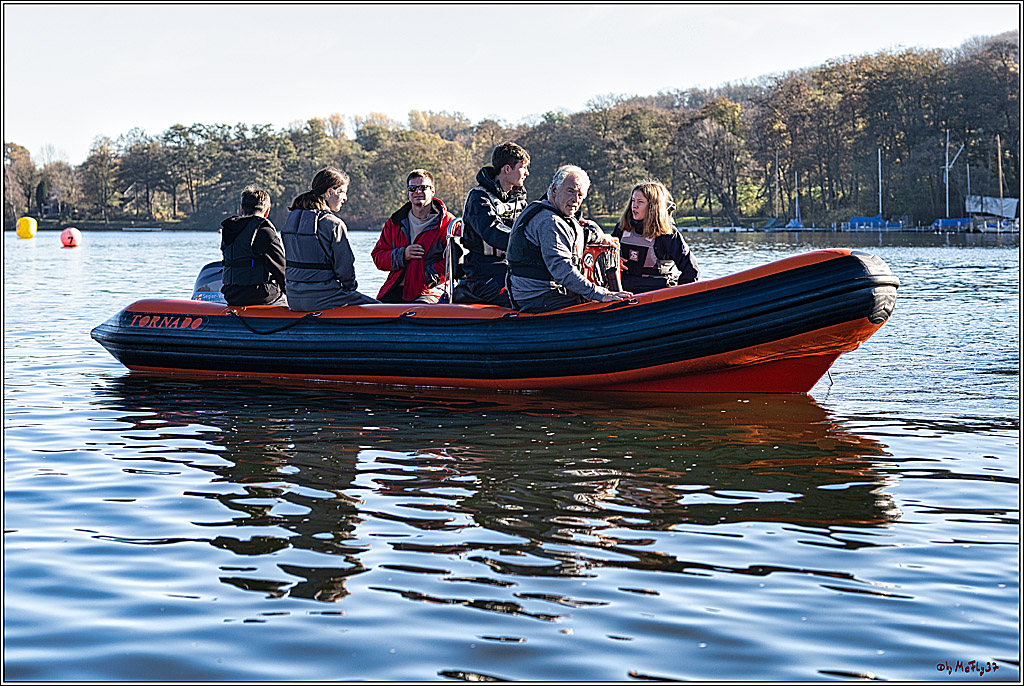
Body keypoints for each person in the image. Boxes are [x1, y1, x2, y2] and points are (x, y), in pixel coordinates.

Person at [506, 165, 632, 313]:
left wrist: (601, 237)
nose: (575, 200)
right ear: (554, 190)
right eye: (570, 191)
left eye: (580, 195)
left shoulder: (558, 215)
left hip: (541, 292)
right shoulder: (549, 221)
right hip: (538, 296)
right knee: (592, 303)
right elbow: (562, 269)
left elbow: (581, 234)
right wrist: (598, 293)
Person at [281, 167, 378, 312]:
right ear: (330, 192)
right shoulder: (333, 224)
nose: (345, 198)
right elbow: (345, 268)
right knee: (378, 307)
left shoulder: (291, 220)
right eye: (343, 192)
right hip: (324, 298)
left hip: (293, 298)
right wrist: (350, 290)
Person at [454, 141, 531, 307]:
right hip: (483, 273)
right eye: (523, 167)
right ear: (507, 169)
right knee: (520, 299)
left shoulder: (520, 199)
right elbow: (493, 232)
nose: (527, 173)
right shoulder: (478, 198)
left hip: (513, 267)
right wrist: (529, 244)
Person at [372, 169, 456, 304]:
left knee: (419, 309)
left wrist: (425, 276)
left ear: (432, 191)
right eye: (412, 188)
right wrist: (402, 254)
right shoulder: (395, 222)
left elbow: (456, 262)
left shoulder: (448, 223)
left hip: (432, 290)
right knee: (377, 312)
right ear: (408, 193)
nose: (417, 192)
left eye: (423, 187)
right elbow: (378, 256)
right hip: (396, 287)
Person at [612, 179, 700, 293]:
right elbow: (604, 257)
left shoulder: (668, 235)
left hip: (658, 293)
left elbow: (691, 270)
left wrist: (679, 296)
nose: (634, 206)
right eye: (633, 201)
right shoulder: (621, 228)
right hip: (626, 290)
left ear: (652, 207)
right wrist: (614, 260)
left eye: (640, 202)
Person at [219, 185, 287, 307]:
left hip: (231, 295)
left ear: (241, 209)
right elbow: (281, 270)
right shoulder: (265, 231)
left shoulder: (229, 230)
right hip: (259, 295)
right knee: (286, 298)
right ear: (266, 212)